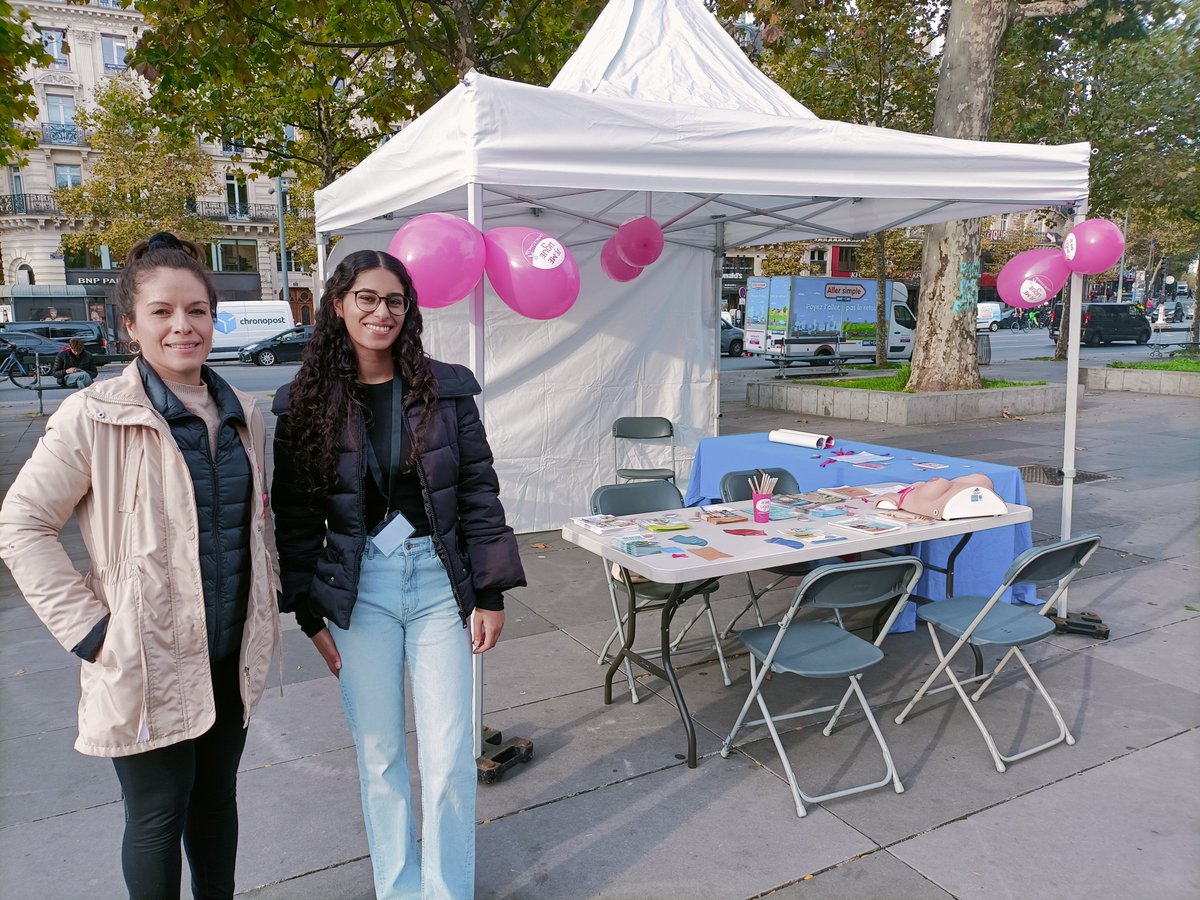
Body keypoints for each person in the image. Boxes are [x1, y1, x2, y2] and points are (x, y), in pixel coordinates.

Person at [0, 231, 281, 899]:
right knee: (158, 819)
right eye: (162, 312)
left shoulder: (246, 412)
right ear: (130, 324)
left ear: (215, 318)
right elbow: (22, 524)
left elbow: (255, 525)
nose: (182, 326)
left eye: (197, 311)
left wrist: (266, 599)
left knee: (217, 807)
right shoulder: (92, 416)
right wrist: (92, 631)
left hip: (229, 653)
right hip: (144, 656)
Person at [271, 249, 526, 899]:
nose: (381, 312)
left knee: (447, 759)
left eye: (394, 301)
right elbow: (295, 519)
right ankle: (399, 889)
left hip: (440, 585)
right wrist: (307, 613)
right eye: (366, 298)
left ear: (408, 312)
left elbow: (477, 493)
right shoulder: (303, 403)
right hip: (361, 595)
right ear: (338, 305)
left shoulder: (446, 389)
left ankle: (448, 892)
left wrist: (489, 590)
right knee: (380, 757)